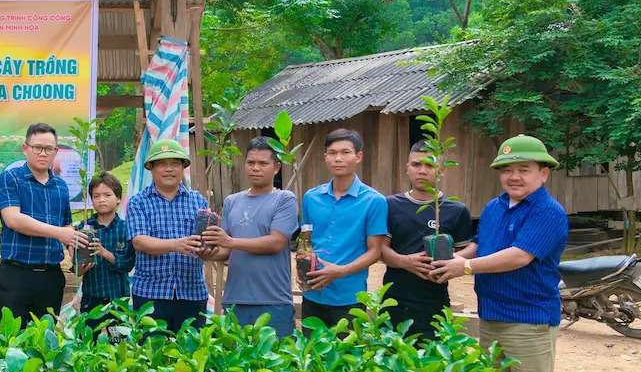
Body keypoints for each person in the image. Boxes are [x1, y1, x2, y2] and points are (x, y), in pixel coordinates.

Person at [432, 134, 568, 372]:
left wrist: (467, 266)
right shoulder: (494, 207)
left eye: (524, 170)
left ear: (543, 173)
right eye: (507, 170)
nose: (514, 177)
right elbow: (482, 244)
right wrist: (454, 256)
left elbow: (520, 257)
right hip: (491, 315)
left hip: (529, 319)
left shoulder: (547, 212)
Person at [203, 137, 299, 336]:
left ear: (276, 167)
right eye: (251, 163)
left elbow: (276, 242)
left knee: (276, 363)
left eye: (263, 163)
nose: (256, 168)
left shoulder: (284, 200)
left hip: (273, 299)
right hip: (235, 299)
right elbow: (226, 251)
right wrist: (206, 253)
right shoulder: (232, 201)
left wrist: (230, 241)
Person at [380, 140, 475, 341]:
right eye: (416, 164)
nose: (422, 171)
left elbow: (467, 250)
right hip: (394, 297)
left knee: (433, 361)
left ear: (442, 171)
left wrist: (450, 260)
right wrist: (404, 261)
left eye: (430, 165)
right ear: (407, 168)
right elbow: (380, 249)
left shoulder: (455, 210)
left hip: (434, 299)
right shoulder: (390, 205)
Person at [0, 123, 88, 324]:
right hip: (16, 274)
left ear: (55, 152)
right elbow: (13, 219)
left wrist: (74, 246)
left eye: (49, 149)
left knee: (45, 342)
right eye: (37, 147)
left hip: (51, 276)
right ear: (25, 148)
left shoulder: (61, 186)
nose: (43, 153)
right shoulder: (10, 178)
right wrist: (59, 233)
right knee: (11, 341)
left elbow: (65, 225)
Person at [299, 129, 389, 327]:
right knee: (310, 352)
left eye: (345, 152)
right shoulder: (311, 198)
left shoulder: (374, 201)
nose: (338, 158)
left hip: (349, 296)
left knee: (346, 353)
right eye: (332, 153)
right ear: (325, 157)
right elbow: (306, 242)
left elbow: (375, 251)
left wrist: (340, 271)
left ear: (358, 156)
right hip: (313, 292)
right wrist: (304, 269)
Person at [126, 138, 211, 333]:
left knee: (191, 354)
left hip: (192, 292)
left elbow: (205, 242)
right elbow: (139, 241)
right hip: (150, 293)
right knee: (150, 355)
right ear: (151, 169)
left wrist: (209, 248)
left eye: (174, 163)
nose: (169, 169)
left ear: (183, 168)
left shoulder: (198, 201)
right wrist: (175, 245)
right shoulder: (139, 202)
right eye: (162, 164)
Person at [78, 172, 136, 328]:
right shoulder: (84, 228)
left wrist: (104, 252)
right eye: (96, 196)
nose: (101, 200)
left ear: (118, 199)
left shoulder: (126, 228)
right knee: (89, 341)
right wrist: (80, 268)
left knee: (117, 343)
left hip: (118, 298)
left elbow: (127, 264)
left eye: (107, 195)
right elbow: (76, 267)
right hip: (91, 297)